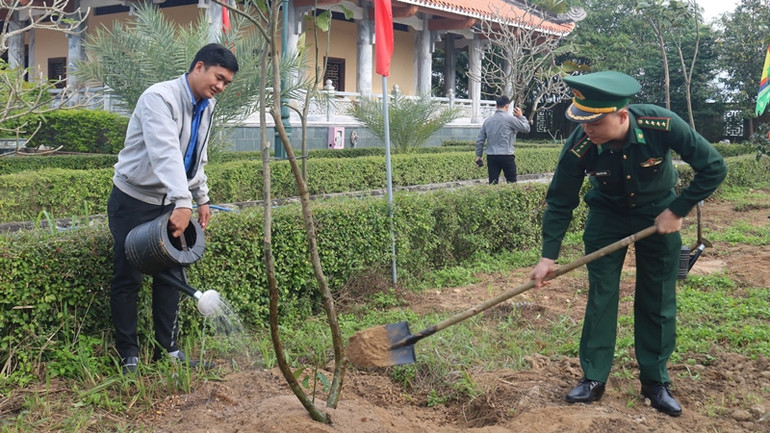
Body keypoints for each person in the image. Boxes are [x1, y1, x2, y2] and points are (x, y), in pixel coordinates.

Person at [529, 71, 727, 417]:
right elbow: (560, 199)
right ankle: (593, 377)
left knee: (658, 295)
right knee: (602, 294)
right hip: (607, 217)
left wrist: (677, 210)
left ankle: (655, 381)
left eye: (595, 122)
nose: (587, 129)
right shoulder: (581, 144)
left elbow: (713, 167)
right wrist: (548, 256)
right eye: (582, 121)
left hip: (658, 215)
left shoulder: (661, 124)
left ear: (622, 116)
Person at [107, 43, 239, 374]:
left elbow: (195, 156)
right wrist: (184, 202)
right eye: (218, 78)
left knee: (171, 274)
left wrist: (202, 197)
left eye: (226, 83)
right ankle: (128, 353)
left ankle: (168, 349)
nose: (220, 87)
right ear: (199, 67)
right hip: (134, 201)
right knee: (128, 275)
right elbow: (165, 152)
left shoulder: (206, 106)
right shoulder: (159, 98)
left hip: (168, 202)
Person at [475, 95, 530, 184]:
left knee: (493, 183)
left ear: (496, 106)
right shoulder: (510, 119)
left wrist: (479, 155)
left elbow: (480, 140)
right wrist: (521, 116)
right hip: (506, 156)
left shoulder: (487, 121)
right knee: (511, 183)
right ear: (507, 106)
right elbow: (526, 128)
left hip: (491, 156)